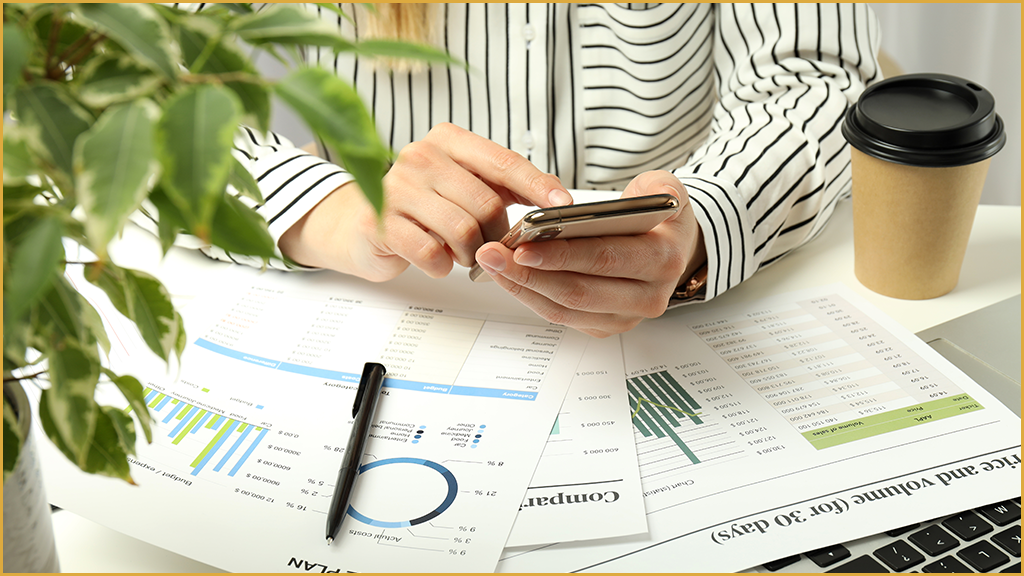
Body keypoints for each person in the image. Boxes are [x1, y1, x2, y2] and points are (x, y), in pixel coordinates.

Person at [187, 4, 883, 337]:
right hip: (393, 321)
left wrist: (705, 224)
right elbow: (114, 82)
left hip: (682, 330)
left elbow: (814, 77)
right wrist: (330, 210)